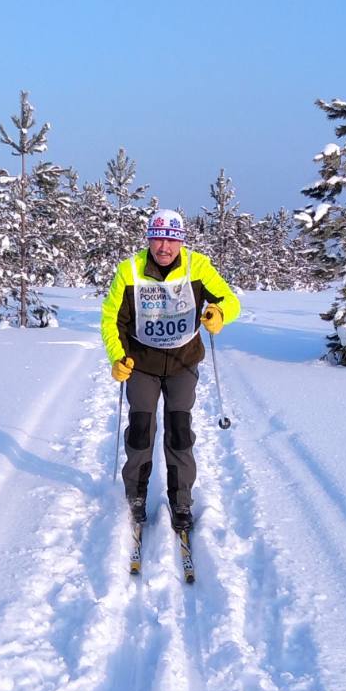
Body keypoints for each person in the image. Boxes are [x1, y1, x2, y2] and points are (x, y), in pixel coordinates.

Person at [100, 208, 241, 532]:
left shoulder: (198, 266)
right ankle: (136, 495)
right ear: (149, 239)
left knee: (179, 431)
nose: (164, 247)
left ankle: (181, 500)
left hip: (182, 362)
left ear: (181, 242)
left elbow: (231, 301)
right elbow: (111, 319)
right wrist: (118, 357)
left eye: (171, 240)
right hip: (141, 363)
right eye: (158, 239)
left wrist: (219, 313)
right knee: (141, 429)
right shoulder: (129, 270)